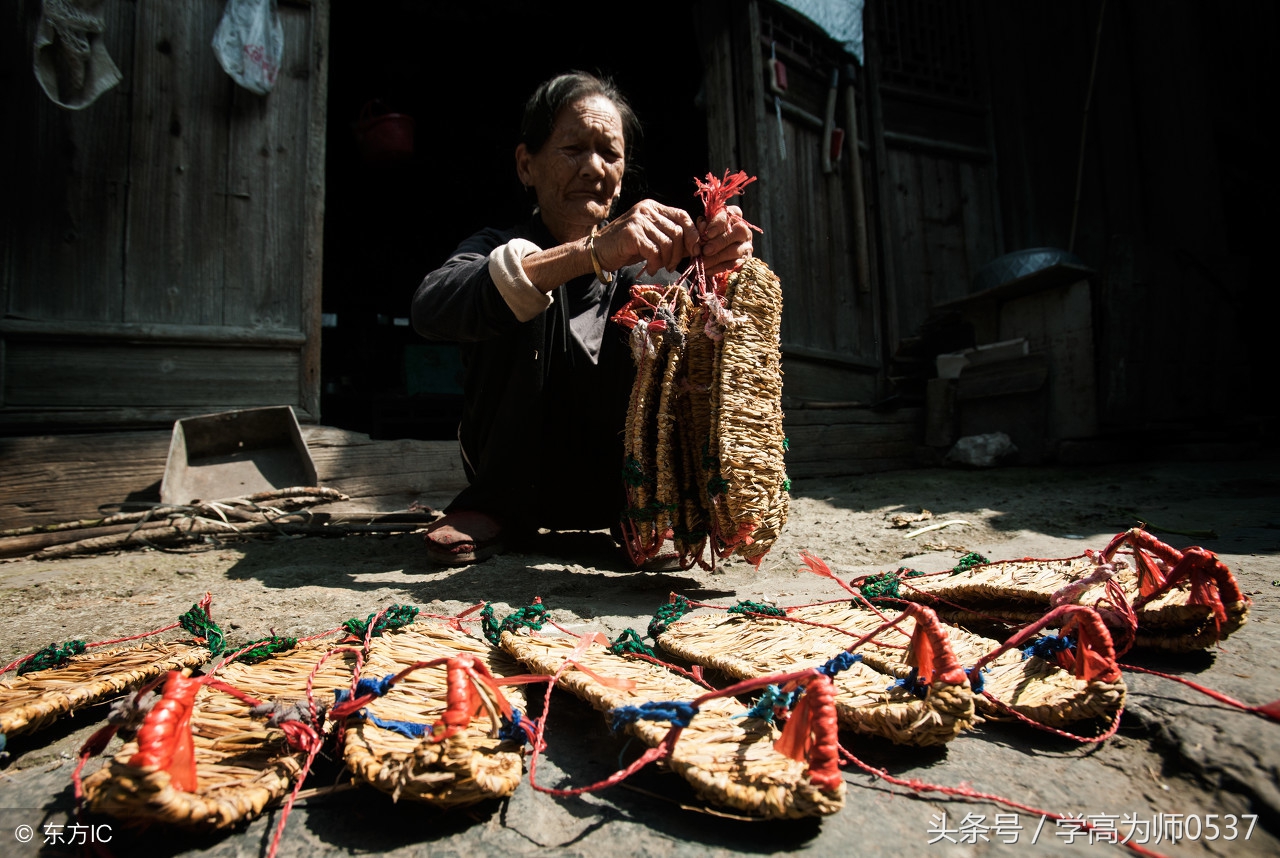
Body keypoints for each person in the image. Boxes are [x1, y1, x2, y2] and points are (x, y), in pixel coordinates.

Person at [411, 71, 754, 565]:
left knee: (665, 315)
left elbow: (724, 365)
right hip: (510, 480)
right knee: (516, 281)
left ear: (620, 179)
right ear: (526, 165)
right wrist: (589, 253)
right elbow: (430, 308)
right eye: (573, 148)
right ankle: (493, 506)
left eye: (609, 154)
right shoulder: (494, 245)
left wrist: (723, 266)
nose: (593, 168)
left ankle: (643, 510)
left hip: (620, 491)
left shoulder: (649, 274)